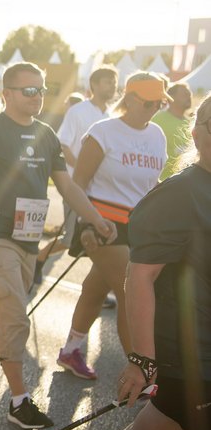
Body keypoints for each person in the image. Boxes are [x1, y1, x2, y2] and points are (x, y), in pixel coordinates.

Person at [0, 62, 115, 430]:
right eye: (28, 90)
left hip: (28, 240)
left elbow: (66, 186)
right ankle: (18, 400)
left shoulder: (47, 135)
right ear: (7, 94)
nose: (37, 97)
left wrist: (95, 218)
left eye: (41, 90)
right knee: (14, 316)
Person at [83, 93, 211, 430]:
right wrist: (143, 359)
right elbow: (139, 279)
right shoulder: (179, 195)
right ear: (196, 131)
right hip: (194, 357)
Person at [56, 72, 169, 380]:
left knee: (96, 286)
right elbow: (77, 183)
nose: (155, 108)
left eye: (160, 102)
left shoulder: (157, 134)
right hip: (103, 221)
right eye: (148, 103)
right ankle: (143, 371)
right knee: (130, 292)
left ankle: (70, 350)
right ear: (130, 99)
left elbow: (151, 182)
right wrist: (88, 223)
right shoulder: (102, 132)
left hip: (139, 224)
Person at [35, 65, 119, 283]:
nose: (113, 86)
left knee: (100, 238)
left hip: (102, 190)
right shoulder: (78, 111)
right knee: (71, 237)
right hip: (76, 186)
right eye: (108, 81)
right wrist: (85, 171)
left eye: (115, 82)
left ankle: (103, 285)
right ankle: (37, 258)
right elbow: (63, 145)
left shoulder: (112, 115)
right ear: (94, 85)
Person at [152, 82, 193, 181]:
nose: (189, 97)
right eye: (184, 94)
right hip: (163, 181)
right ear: (170, 98)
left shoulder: (192, 123)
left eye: (189, 94)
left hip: (186, 181)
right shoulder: (157, 120)